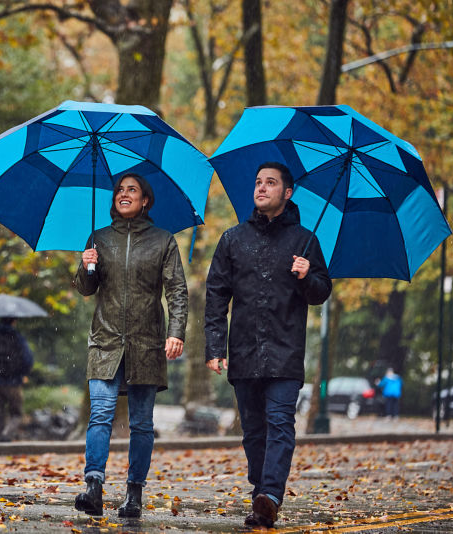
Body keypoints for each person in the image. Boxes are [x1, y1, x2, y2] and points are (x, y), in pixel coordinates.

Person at [204, 162, 332, 528]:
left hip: (285, 351)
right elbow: (216, 296)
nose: (261, 188)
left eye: (270, 183)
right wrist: (215, 346)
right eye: (258, 182)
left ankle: (271, 494)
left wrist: (308, 276)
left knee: (280, 422)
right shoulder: (232, 239)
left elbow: (321, 292)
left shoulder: (305, 241)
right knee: (254, 432)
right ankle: (262, 496)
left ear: (287, 192)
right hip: (243, 350)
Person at [73, 173, 188, 518]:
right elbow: (85, 289)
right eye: (120, 190)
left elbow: (177, 290)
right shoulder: (100, 239)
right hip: (105, 341)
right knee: (101, 414)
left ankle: (134, 493)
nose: (124, 194)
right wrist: (86, 266)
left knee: (140, 423)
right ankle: (93, 486)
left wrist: (176, 331)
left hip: (147, 342)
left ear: (145, 201)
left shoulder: (163, 241)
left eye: (132, 190)